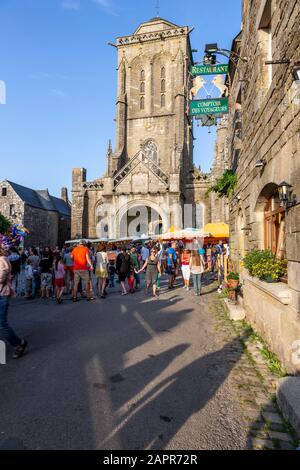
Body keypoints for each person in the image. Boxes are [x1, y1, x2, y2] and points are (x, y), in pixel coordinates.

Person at [0, 244, 28, 359]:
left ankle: (20, 343)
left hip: (2, 295)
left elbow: (1, 277)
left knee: (2, 324)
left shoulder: (2, 260)